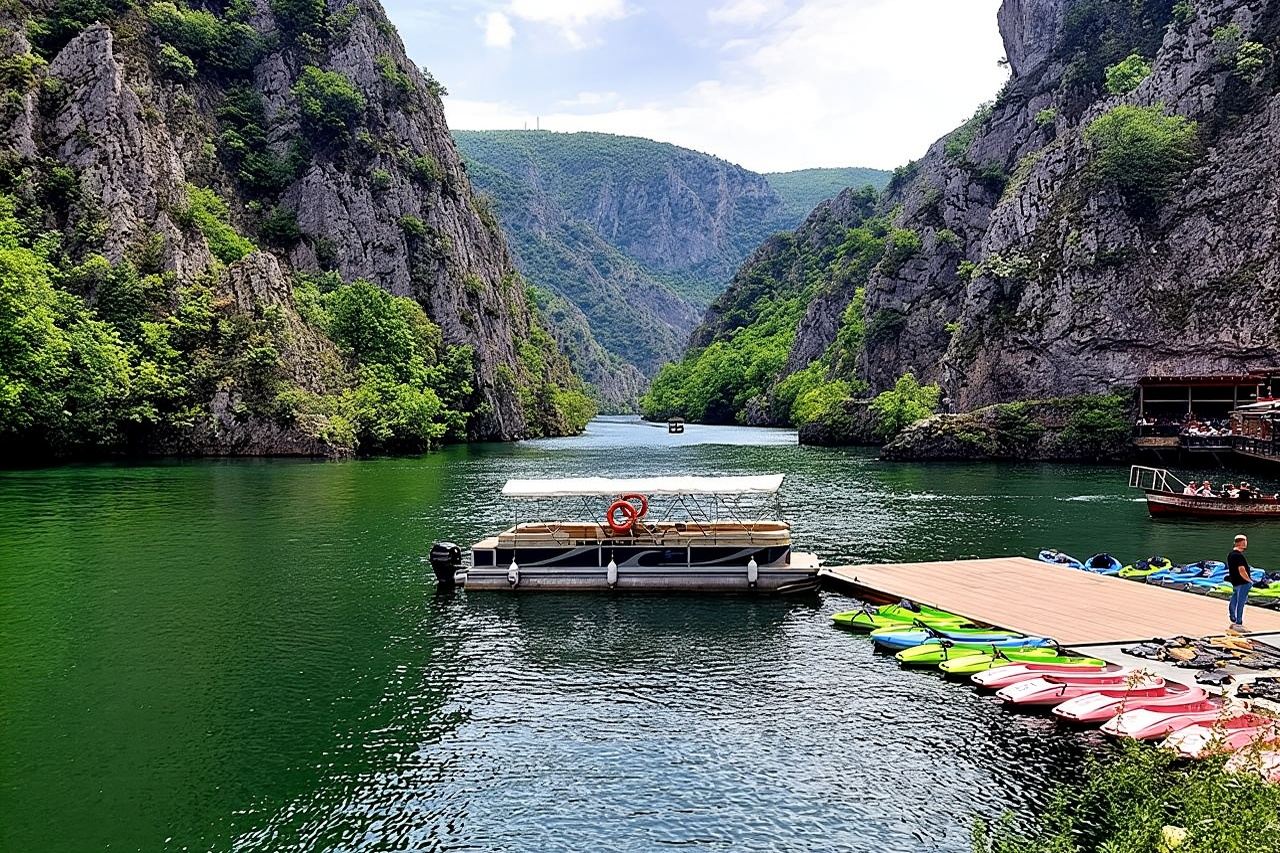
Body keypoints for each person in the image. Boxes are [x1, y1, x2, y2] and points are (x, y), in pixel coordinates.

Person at [1227, 534, 1253, 632]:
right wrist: (1249, 580)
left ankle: (1232, 615)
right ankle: (1239, 622)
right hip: (1243, 582)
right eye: (1245, 541)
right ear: (1241, 543)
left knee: (1234, 599)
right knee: (1241, 602)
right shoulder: (1239, 556)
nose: (1246, 543)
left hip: (1235, 582)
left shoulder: (1231, 555)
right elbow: (1241, 570)